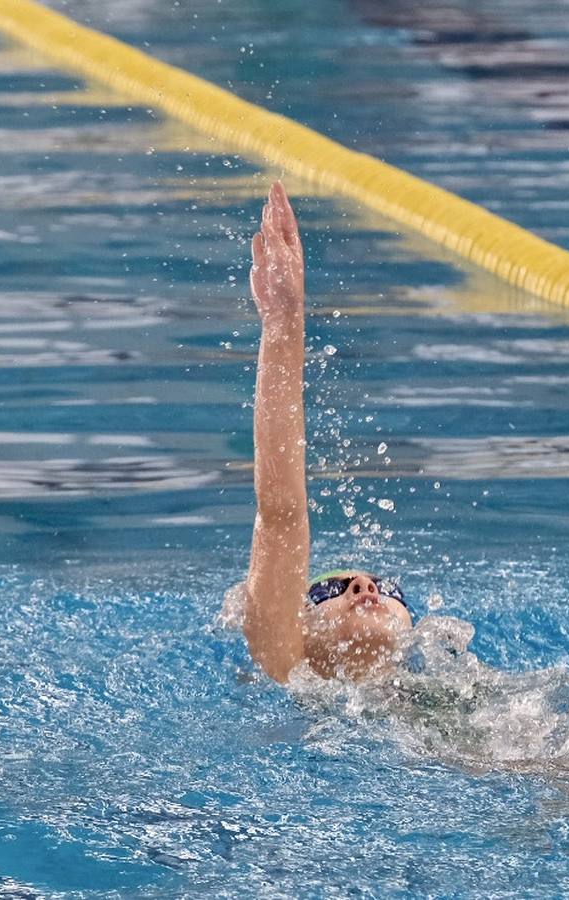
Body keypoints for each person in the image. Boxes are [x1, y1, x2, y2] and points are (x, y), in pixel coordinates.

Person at [241, 182, 415, 684]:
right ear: (297, 623)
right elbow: (281, 512)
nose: (364, 587)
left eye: (385, 587)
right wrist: (284, 321)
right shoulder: (287, 664)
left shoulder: (457, 696)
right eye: (329, 590)